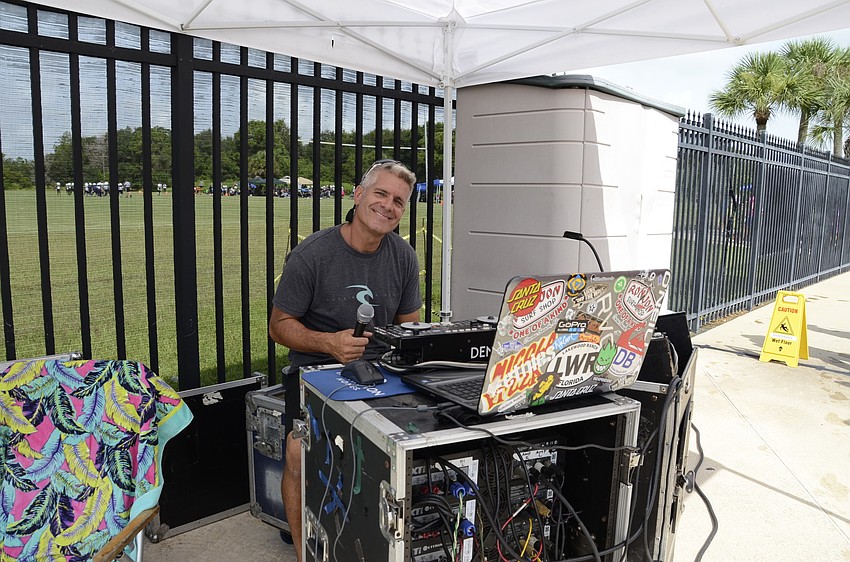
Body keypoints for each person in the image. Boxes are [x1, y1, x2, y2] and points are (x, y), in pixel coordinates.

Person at [268, 159, 422, 561]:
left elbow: (410, 330)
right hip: (314, 369)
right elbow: (279, 326)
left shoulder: (404, 257)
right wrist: (329, 343)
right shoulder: (312, 255)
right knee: (297, 454)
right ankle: (304, 551)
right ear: (357, 196)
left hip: (382, 373)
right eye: (381, 194)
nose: (388, 206)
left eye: (399, 201)